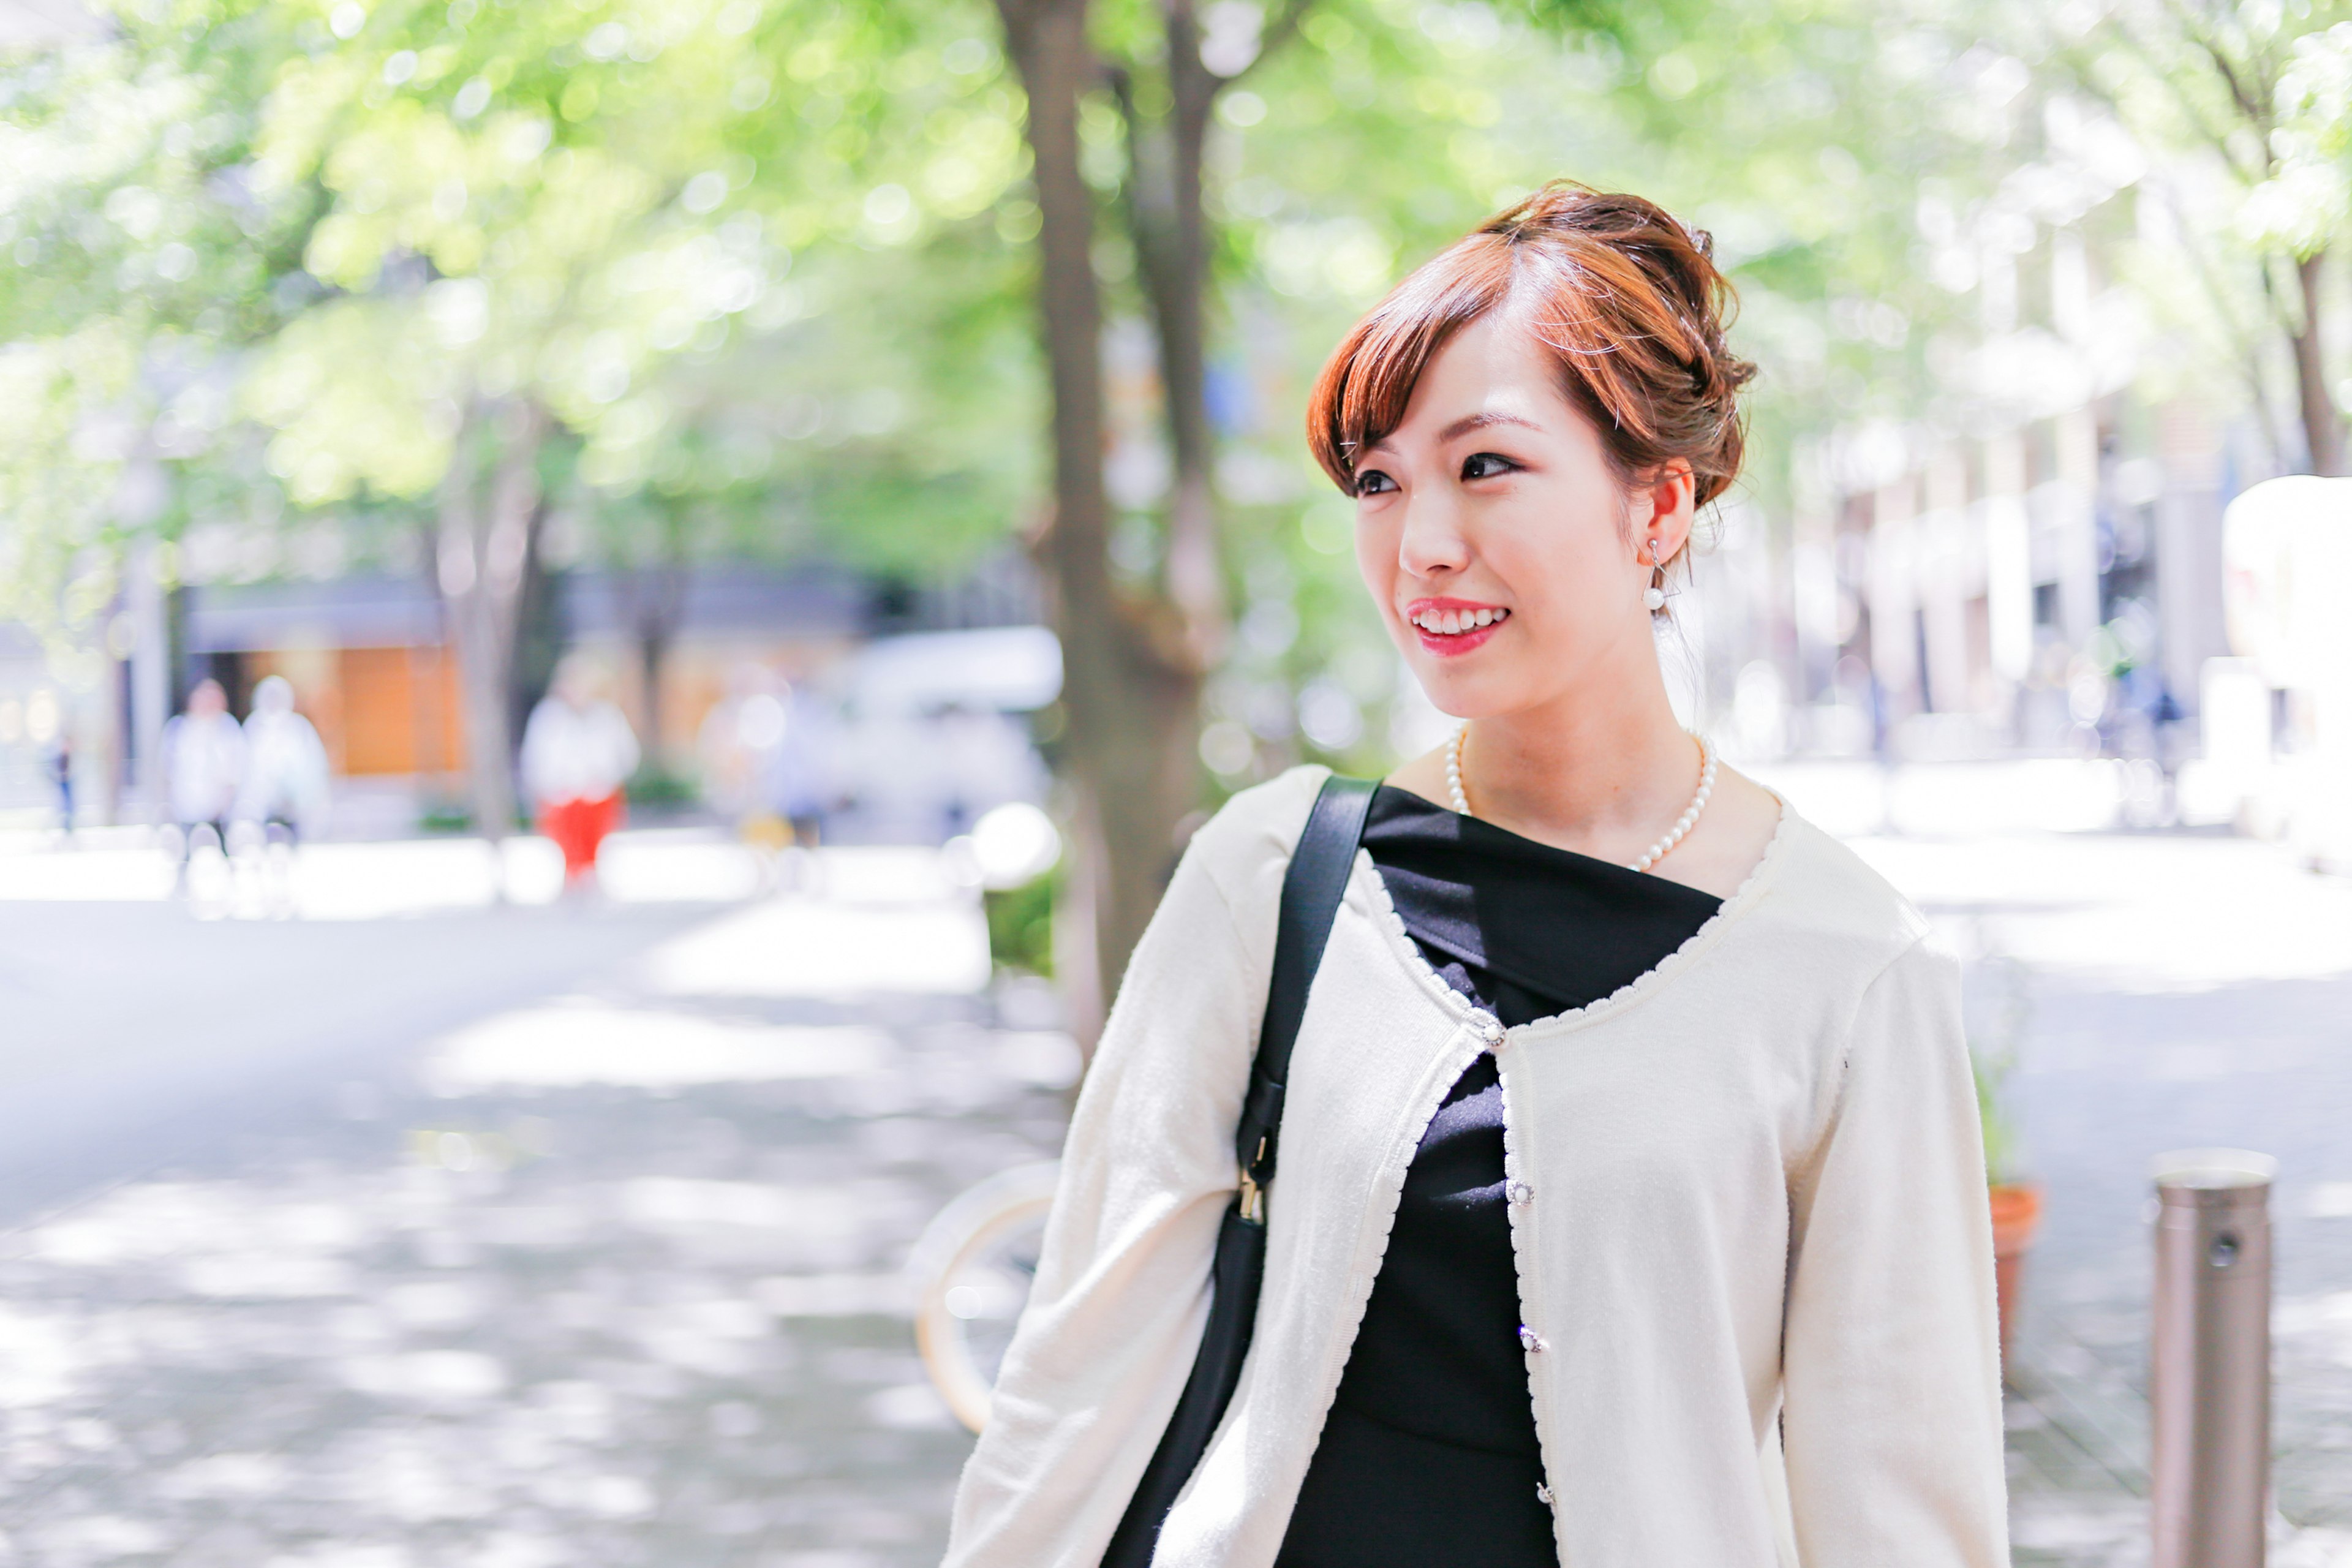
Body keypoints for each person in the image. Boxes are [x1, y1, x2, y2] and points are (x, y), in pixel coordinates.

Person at [944, 184, 2006, 1567]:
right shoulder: (1274, 878)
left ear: (1657, 504)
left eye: (1484, 465)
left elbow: (1901, 1505)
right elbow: (1069, 1389)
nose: (1420, 542)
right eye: (1378, 480)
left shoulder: (1843, 967)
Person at [519, 655, 640, 890]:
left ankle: (591, 878)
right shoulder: (549, 716)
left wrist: (604, 777)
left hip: (598, 794)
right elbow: (536, 757)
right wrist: (552, 782)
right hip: (561, 796)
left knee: (595, 844)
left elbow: (625, 754)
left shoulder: (606, 716)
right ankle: (571, 878)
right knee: (566, 844)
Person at [235, 676, 331, 843]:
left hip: (293, 806)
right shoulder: (254, 727)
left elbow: (313, 766)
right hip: (261, 808)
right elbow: (244, 767)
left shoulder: (299, 727)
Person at [164, 677, 246, 864]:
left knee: (224, 851)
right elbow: (169, 767)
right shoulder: (180, 728)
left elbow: (234, 769)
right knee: (185, 853)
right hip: (187, 802)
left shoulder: (227, 729)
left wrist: (227, 799)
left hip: (218, 806)